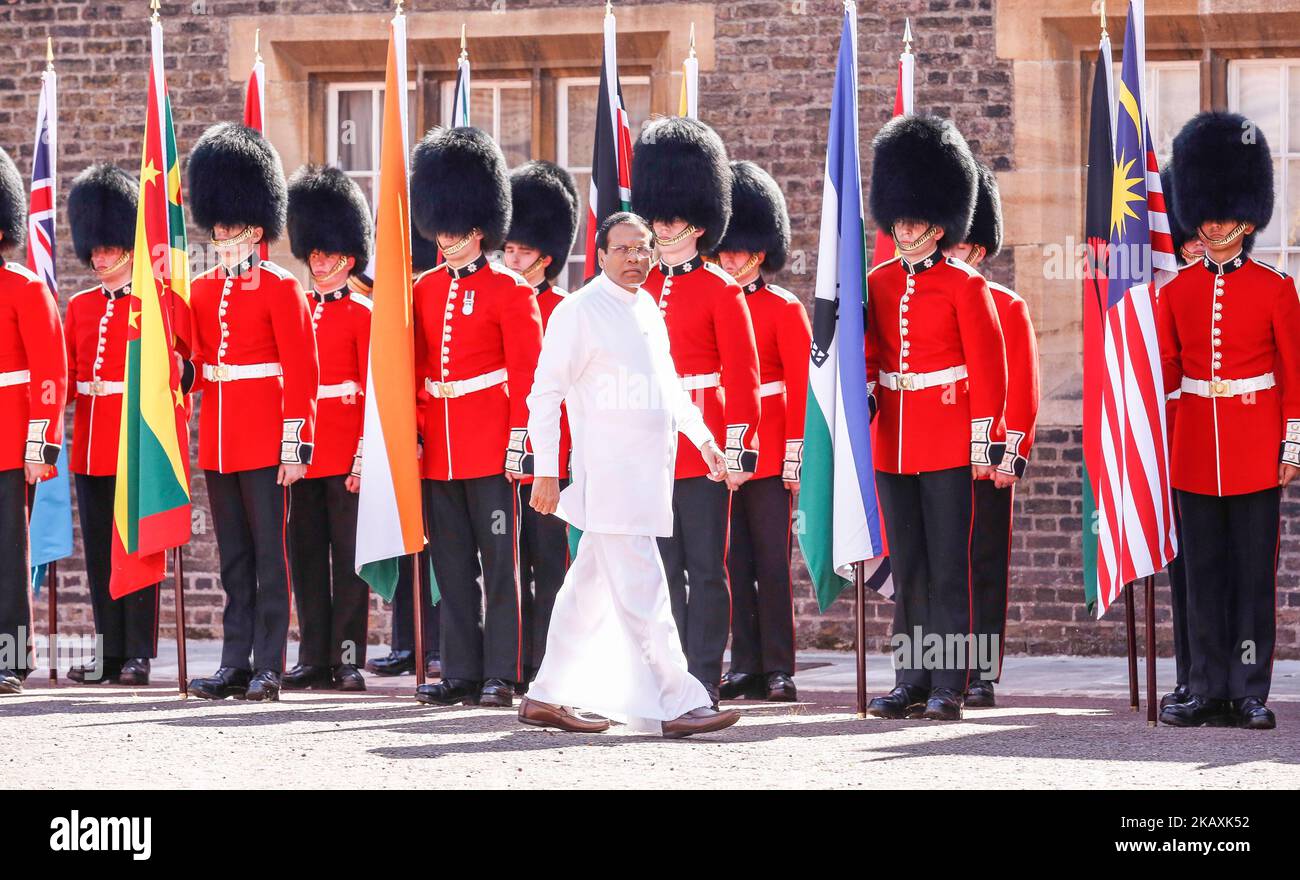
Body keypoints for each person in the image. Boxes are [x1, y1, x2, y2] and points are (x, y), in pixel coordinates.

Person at [517, 212, 741, 739]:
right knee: (647, 592)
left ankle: (545, 697)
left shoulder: (647, 308)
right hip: (609, 479)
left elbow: (669, 387)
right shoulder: (578, 311)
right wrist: (546, 470)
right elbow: (544, 395)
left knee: (585, 594)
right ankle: (678, 700)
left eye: (644, 249)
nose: (637, 258)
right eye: (624, 249)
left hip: (646, 478)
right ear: (601, 255)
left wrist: (705, 440)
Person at [862, 115, 1007, 722]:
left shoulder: (964, 286)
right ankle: (910, 676)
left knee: (949, 571)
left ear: (940, 221)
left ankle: (951, 681)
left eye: (917, 219)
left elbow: (989, 371)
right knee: (910, 569)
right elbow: (870, 359)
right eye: (900, 218)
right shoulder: (878, 283)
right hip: (895, 441)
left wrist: (983, 445)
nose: (907, 228)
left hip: (949, 440)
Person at [1157, 111, 1299, 731]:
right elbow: (1163, 376)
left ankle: (1248, 688)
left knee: (1250, 578)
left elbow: (1294, 378)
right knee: (1203, 576)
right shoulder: (1175, 292)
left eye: (1222, 212)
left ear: (1247, 215)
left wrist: (1291, 445)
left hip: (1255, 445)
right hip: (1194, 448)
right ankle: (1205, 687)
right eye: (1204, 212)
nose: (1212, 224)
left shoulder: (1275, 288)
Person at [408, 127, 543, 708]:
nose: (446, 236)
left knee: (499, 565)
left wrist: (521, 443)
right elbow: (414, 370)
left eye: (456, 226)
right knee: (453, 567)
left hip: (491, 448)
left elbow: (530, 378)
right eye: (440, 224)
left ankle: (502, 671)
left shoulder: (511, 291)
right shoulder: (424, 290)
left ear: (480, 226)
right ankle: (460, 671)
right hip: (439, 448)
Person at [185, 123, 319, 702]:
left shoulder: (280, 287)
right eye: (217, 226)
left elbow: (302, 371)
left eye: (232, 225)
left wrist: (295, 446)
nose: (222, 235)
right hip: (217, 438)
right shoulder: (201, 288)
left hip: (266, 439)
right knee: (233, 560)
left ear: (256, 228)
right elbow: (191, 365)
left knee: (270, 555)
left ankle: (269, 663)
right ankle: (233, 661)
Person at [631, 117, 761, 706]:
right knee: (660, 570)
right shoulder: (638, 287)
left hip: (701, 447)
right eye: (657, 217)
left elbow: (743, 378)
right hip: (647, 447)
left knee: (706, 569)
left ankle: (704, 672)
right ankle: (666, 672)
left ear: (698, 222)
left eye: (673, 218)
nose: (662, 227)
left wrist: (735, 449)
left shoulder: (721, 289)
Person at [710, 160, 810, 703]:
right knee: (732, 563)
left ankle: (778, 666)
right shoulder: (710, 303)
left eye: (740, 251)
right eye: (724, 250)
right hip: (724, 452)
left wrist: (793, 456)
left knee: (771, 564)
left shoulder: (782, 308)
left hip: (769, 453)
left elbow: (798, 388)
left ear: (761, 251)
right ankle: (745, 663)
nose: (730, 260)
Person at [941, 162, 1039, 708]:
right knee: (938, 568)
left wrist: (1011, 452)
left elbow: (1020, 386)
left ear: (975, 248)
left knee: (981, 564)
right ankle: (936, 669)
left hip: (985, 457)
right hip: (934, 453)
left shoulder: (1005, 305)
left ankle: (980, 672)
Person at [64, 163, 160, 686]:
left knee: (137, 548)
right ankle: (107, 652)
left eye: (108, 247)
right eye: (94, 249)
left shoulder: (152, 303)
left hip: (134, 441)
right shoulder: (79, 308)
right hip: (91, 446)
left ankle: (138, 652)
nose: (100, 257)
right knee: (101, 549)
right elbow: (70, 375)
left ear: (127, 245)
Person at [282, 165, 373, 692]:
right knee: (307, 558)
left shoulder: (363, 314)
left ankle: (347, 658)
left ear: (348, 257)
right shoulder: (296, 310)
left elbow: (367, 392)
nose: (318, 262)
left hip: (344, 454)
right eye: (313, 253)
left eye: (327, 254)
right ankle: (313, 655)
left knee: (350, 563)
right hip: (305, 453)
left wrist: (362, 455)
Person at [500, 160, 580, 685]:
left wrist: (556, 458)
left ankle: (550, 667)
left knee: (550, 570)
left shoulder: (566, 311)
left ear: (545, 258)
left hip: (552, 459)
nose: (510, 258)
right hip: (506, 459)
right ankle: (511, 663)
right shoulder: (493, 300)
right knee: (508, 570)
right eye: (506, 249)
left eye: (521, 251)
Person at [0, 146, 67, 695]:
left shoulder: (25, 287)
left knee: (8, 558)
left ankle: (11, 659)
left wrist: (38, 446)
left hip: (8, 442)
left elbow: (49, 374)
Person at [1157, 161, 1202, 712]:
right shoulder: (1160, 293)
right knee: (1184, 569)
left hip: (1214, 442)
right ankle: (1189, 674)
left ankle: (1227, 681)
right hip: (1169, 446)